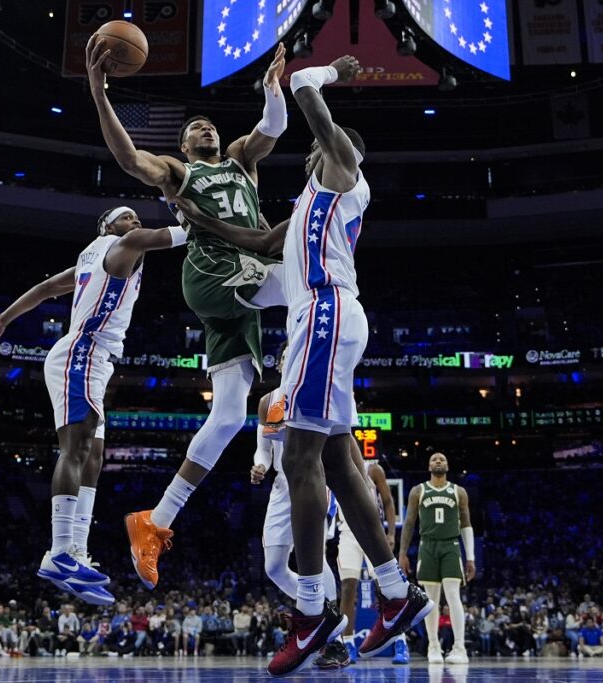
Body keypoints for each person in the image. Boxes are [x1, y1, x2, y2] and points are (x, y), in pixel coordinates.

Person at [183, 55, 433, 676]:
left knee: (298, 459)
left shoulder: (347, 175)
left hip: (326, 315)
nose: (326, 149)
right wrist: (203, 221)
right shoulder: (306, 206)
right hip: (322, 320)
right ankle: (397, 596)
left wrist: (327, 73)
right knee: (340, 463)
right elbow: (262, 242)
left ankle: (312, 613)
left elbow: (302, 92)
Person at [84, 36, 292, 590]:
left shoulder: (243, 161)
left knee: (226, 419)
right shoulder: (181, 173)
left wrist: (274, 88)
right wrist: (99, 90)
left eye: (210, 125)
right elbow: (130, 159)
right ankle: (291, 390)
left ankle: (155, 522)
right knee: (306, 279)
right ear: (182, 142)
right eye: (196, 126)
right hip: (213, 274)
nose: (207, 129)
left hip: (241, 294)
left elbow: (272, 128)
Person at [0, 207, 186, 605]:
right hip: (83, 353)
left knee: (94, 454)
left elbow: (45, 289)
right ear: (108, 226)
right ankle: (59, 550)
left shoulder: (89, 258)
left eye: (138, 219)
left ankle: (74, 551)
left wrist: (3, 319)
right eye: (128, 218)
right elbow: (165, 237)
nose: (136, 224)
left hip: (91, 359)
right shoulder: (122, 244)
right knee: (77, 448)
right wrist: (200, 215)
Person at [248, 353, 348, 668]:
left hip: (315, 482)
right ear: (279, 364)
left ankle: (336, 643)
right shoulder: (267, 401)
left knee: (315, 559)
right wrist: (260, 465)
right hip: (281, 488)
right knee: (274, 567)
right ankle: (319, 616)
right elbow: (263, 448)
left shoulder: (319, 393)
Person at [399, 452, 477, 664]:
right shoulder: (418, 491)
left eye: (442, 459)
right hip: (427, 546)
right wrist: (402, 553)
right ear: (429, 466)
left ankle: (460, 648)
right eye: (434, 459)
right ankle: (434, 646)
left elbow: (466, 524)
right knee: (431, 601)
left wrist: (470, 557)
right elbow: (408, 523)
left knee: (453, 596)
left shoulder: (458, 492)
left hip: (451, 545)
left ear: (447, 465)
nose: (438, 461)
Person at [332, 455, 406, 665]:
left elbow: (389, 503)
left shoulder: (373, 470)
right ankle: (348, 644)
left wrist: (391, 534)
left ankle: (400, 642)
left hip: (373, 531)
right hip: (347, 533)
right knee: (347, 587)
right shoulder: (333, 467)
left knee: (387, 589)